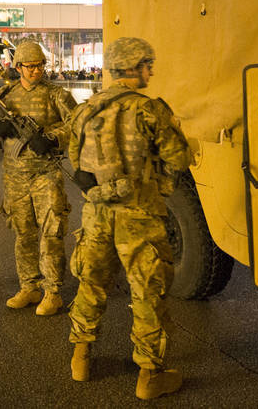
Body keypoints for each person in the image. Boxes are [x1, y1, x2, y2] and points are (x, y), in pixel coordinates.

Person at [65, 37, 191, 399]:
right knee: (147, 291)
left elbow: (74, 159)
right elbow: (179, 158)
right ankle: (150, 376)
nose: (151, 71)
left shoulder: (86, 110)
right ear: (135, 67)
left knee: (91, 283)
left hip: (96, 214)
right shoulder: (149, 110)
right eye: (148, 64)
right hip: (139, 215)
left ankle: (81, 359)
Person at [0, 40, 77, 316]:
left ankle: (52, 292)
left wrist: (52, 138)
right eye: (30, 66)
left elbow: (77, 123)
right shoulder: (5, 95)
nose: (36, 71)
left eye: (39, 66)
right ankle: (29, 286)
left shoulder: (56, 95)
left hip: (46, 173)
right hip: (15, 176)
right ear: (18, 67)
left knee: (51, 233)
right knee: (23, 233)